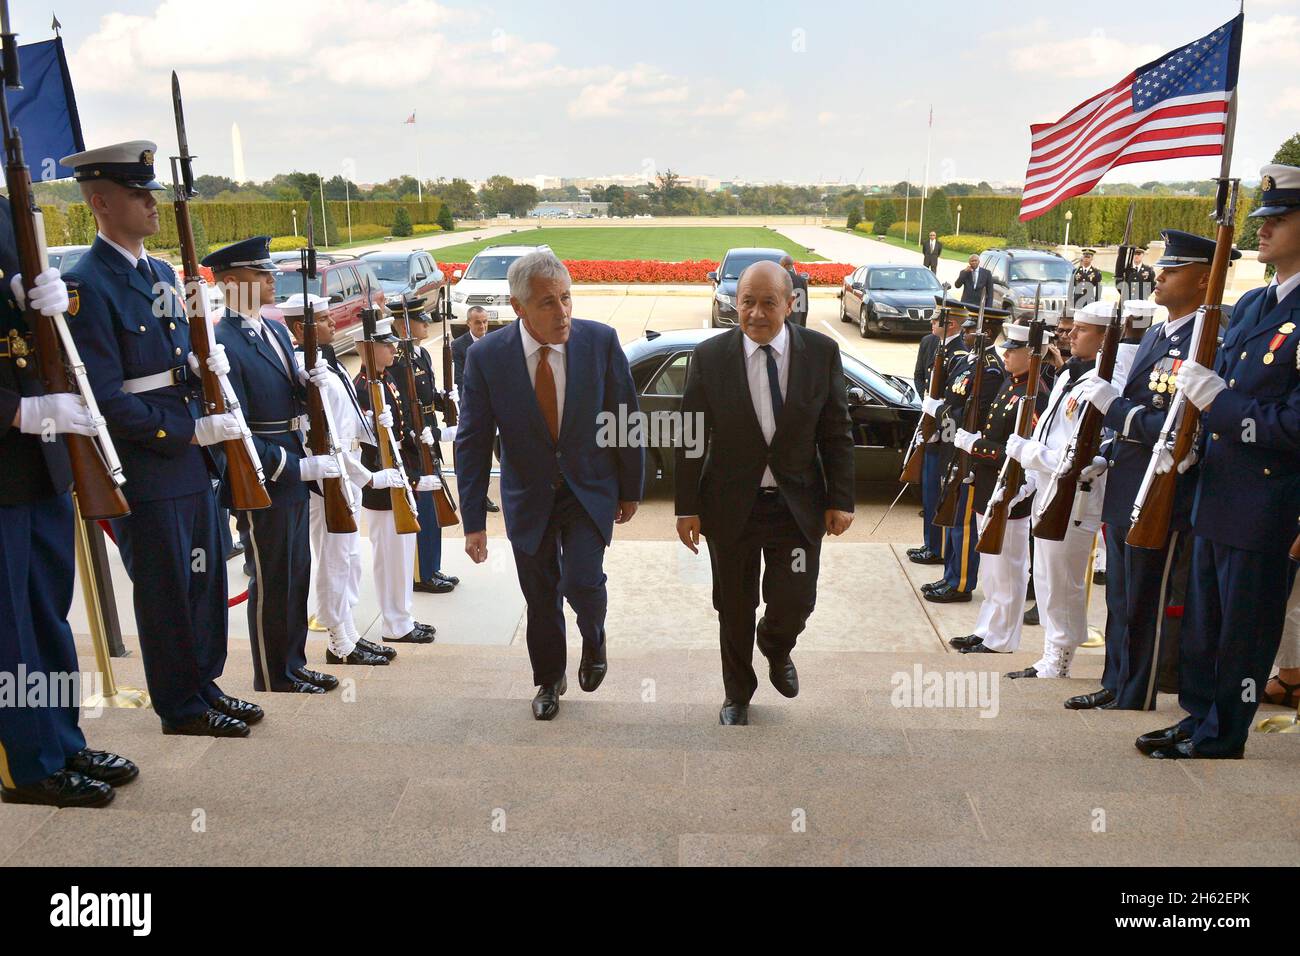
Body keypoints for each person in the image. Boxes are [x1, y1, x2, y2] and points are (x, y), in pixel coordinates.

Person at [64, 141, 256, 737]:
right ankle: (180, 704)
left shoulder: (159, 273)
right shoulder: (87, 283)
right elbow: (101, 396)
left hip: (192, 457)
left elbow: (176, 356)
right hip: (151, 459)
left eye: (150, 192)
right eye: (136, 194)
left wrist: (202, 377)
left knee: (204, 578)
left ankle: (205, 681)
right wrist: (184, 430)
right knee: (167, 586)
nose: (150, 203)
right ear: (100, 202)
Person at [1138, 163, 1300, 759]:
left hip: (1267, 500)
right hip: (1218, 488)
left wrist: (1222, 403)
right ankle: (1199, 715)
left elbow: (1295, 423)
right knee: (1205, 624)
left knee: (1244, 632)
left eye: (1278, 220)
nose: (1264, 230)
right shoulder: (1257, 302)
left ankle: (1224, 732)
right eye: (1262, 219)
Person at [456, 250, 643, 721]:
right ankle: (548, 679)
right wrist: (473, 521)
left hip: (588, 489)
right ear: (518, 308)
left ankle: (594, 636)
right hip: (528, 496)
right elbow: (473, 441)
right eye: (547, 303)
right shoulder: (486, 357)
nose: (562, 313)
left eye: (566, 298)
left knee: (581, 580)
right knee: (540, 598)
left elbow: (626, 417)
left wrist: (630, 489)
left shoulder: (599, 342)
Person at [0, 200, 139, 808]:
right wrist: (15, 411)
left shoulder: (7, 210)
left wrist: (49, 316)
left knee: (47, 616)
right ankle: (26, 765)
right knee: (9, 632)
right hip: (11, 440)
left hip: (41, 455)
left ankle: (59, 737)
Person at [675, 261, 855, 725]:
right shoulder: (711, 357)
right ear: (735, 303)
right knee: (733, 606)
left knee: (796, 598)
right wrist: (686, 507)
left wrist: (842, 499)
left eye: (768, 302)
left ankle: (776, 644)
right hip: (731, 509)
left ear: (790, 304)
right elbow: (691, 436)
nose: (756, 313)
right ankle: (738, 694)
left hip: (796, 511)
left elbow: (836, 431)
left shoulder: (821, 353)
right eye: (747, 302)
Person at [1070, 236, 1234, 712]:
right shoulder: (1160, 335)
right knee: (1121, 596)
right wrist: (1107, 448)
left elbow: (1182, 426)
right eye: (1161, 268)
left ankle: (1137, 690)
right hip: (1128, 480)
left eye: (1173, 270)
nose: (1158, 276)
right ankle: (1116, 681)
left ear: (1205, 278)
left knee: (1146, 596)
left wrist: (1115, 408)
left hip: (1162, 487)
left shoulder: (1209, 342)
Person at [205, 237, 341, 694]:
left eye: (268, 271)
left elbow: (289, 395)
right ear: (228, 283)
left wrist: (311, 385)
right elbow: (235, 430)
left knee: (295, 570)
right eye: (259, 273)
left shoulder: (276, 329)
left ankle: (293, 662)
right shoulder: (223, 341)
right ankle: (272, 674)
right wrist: (292, 467)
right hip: (264, 473)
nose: (270, 279)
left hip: (293, 459)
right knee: (271, 578)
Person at [281, 293, 392, 667]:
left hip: (347, 468)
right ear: (302, 328)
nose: (333, 323)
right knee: (335, 558)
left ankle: (348, 631)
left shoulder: (329, 363)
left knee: (349, 558)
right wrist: (368, 478)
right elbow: (322, 434)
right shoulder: (303, 368)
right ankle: (337, 642)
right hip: (329, 475)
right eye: (324, 319)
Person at [1003, 300, 1111, 679]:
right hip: (1048, 490)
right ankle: (1050, 653)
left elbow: (1079, 458)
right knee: (1046, 577)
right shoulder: (1070, 375)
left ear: (1104, 338)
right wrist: (1030, 479)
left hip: (1073, 498)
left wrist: (1027, 452)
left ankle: (1059, 659)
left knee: (1063, 581)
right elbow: (1052, 430)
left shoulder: (1103, 383)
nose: (1069, 335)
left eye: (1080, 329)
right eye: (1070, 328)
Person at [951, 319, 1051, 654]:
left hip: (1011, 492)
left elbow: (1021, 452)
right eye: (1006, 349)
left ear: (1031, 354)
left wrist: (974, 446)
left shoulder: (1033, 395)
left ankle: (1002, 638)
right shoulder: (1011, 384)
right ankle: (986, 629)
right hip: (989, 489)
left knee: (1008, 571)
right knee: (992, 573)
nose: (1006, 355)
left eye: (1014, 350)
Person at [354, 313, 436, 646]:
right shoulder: (362, 388)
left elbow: (399, 435)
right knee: (390, 558)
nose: (392, 351)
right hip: (381, 484)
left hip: (398, 479)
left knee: (402, 556)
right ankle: (394, 624)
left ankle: (402, 617)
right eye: (385, 346)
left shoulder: (385, 380)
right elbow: (365, 445)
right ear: (368, 349)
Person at [922, 306, 1007, 603]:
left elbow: (975, 413)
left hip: (969, 454)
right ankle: (949, 575)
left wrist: (939, 411)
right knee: (952, 516)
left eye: (973, 330)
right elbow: (953, 397)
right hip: (953, 447)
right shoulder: (969, 362)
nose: (967, 334)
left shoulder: (992, 368)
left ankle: (961, 583)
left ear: (988, 333)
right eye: (968, 329)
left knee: (964, 524)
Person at [388, 297, 457, 594]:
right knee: (423, 508)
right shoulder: (399, 361)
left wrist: (446, 401)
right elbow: (403, 406)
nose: (427, 324)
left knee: (434, 505)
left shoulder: (422, 354)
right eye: (421, 320)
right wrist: (415, 439)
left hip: (430, 438)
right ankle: (420, 574)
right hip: (416, 444)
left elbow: (427, 398)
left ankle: (432, 566)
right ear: (404, 324)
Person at [906, 312, 947, 566]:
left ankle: (937, 547)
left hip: (943, 433)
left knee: (938, 493)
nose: (931, 324)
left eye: (935, 321)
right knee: (929, 493)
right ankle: (930, 543)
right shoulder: (928, 342)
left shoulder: (959, 352)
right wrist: (927, 405)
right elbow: (920, 374)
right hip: (929, 417)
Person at [451, 305, 499, 513]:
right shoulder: (459, 346)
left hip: (497, 407)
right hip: (477, 409)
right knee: (480, 458)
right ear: (468, 323)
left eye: (485, 322)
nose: (482, 326)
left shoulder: (495, 342)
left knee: (504, 455)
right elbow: (460, 379)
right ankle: (480, 497)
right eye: (478, 322)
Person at [778, 254, 809, 327]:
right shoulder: (801, 280)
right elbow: (805, 305)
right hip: (797, 322)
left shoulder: (778, 279)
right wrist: (803, 325)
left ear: (782, 265)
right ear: (792, 265)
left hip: (782, 321)